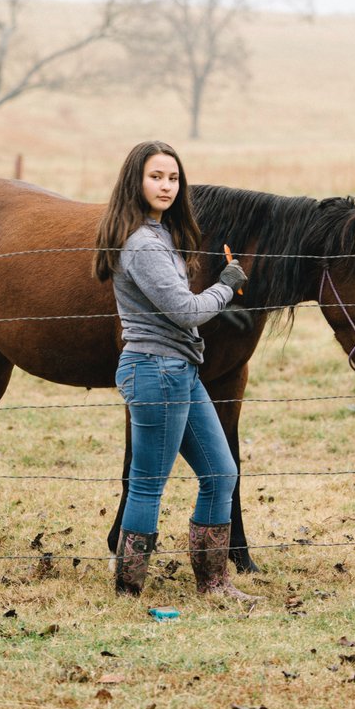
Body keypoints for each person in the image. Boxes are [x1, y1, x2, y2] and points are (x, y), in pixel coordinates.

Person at [94, 140, 255, 602]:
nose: (166, 186)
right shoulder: (143, 243)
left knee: (221, 473)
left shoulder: (161, 234)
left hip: (179, 369)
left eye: (172, 178)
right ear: (135, 182)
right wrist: (226, 289)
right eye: (155, 177)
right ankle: (128, 589)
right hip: (155, 370)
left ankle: (214, 583)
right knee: (147, 484)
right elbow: (185, 310)